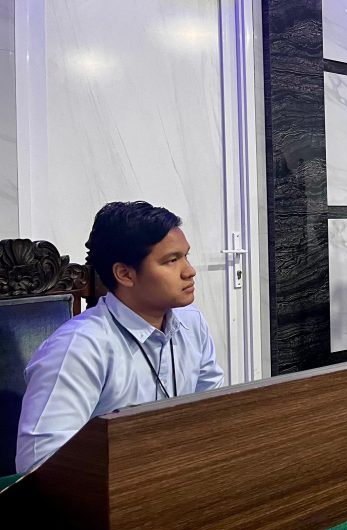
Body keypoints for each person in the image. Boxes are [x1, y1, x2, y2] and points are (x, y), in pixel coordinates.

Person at [16, 201, 225, 473]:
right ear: (125, 274)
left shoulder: (191, 322)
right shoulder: (77, 348)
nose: (189, 271)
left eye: (186, 256)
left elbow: (212, 412)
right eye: (171, 260)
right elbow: (40, 467)